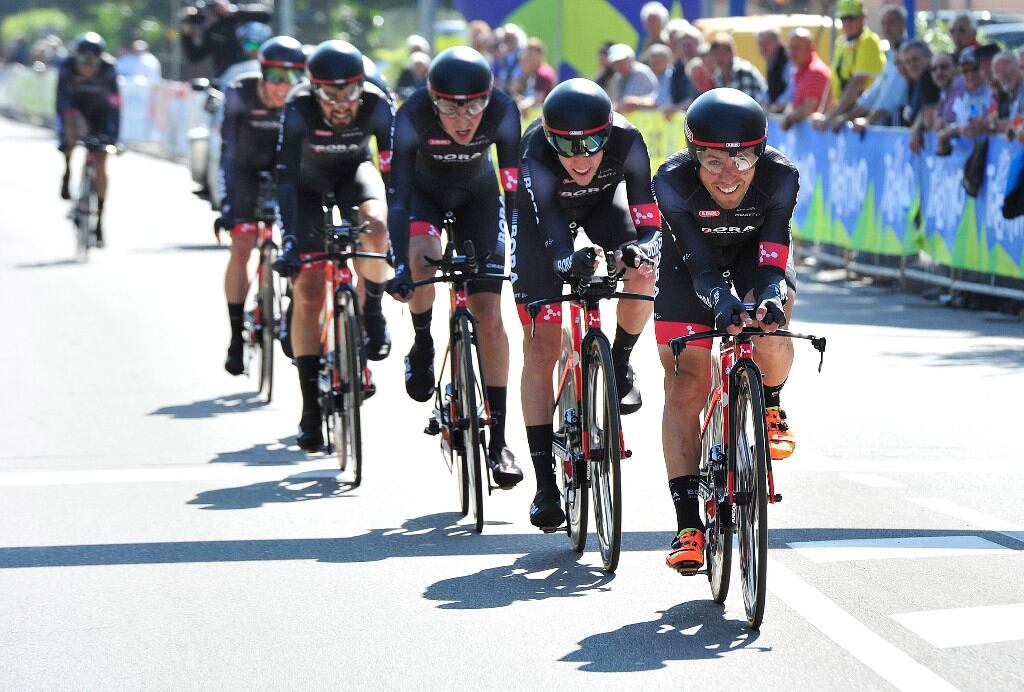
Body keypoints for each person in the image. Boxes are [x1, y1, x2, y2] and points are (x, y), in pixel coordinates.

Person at [653, 88, 799, 572]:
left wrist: (770, 298)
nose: (729, 174)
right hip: (692, 264)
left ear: (760, 152)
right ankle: (688, 526)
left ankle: (770, 403)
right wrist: (719, 301)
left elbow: (773, 257)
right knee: (685, 384)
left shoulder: (781, 177)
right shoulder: (671, 180)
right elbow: (698, 264)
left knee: (772, 325)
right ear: (693, 154)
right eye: (713, 161)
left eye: (742, 159)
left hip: (755, 257)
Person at [511, 78, 660, 529]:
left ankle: (619, 361)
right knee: (542, 346)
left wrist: (638, 251)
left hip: (601, 207)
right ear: (550, 138)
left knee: (643, 271)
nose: (580, 159)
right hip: (544, 225)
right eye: (567, 147)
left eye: (593, 145)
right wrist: (567, 261)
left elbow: (649, 224)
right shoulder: (535, 150)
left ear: (608, 133)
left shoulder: (628, 140)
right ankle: (544, 484)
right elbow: (554, 237)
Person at [385, 46, 524, 489]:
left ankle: (499, 440)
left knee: (489, 314)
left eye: (473, 108)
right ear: (433, 102)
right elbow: (398, 199)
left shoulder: (503, 111)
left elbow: (513, 191)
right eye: (450, 109)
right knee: (420, 255)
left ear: (488, 99)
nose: (464, 120)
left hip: (477, 200)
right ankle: (422, 341)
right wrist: (399, 264)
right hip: (423, 197)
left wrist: (520, 252)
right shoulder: (411, 116)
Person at [272, 40, 395, 452]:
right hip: (305, 186)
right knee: (308, 290)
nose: (341, 104)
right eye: (330, 94)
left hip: (353, 174)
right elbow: (285, 179)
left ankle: (370, 311)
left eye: (350, 93)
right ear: (314, 89)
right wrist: (290, 242)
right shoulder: (298, 107)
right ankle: (310, 409)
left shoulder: (377, 103)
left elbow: (394, 176)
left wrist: (397, 235)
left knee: (377, 227)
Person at [219, 36, 305, 377]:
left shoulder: (303, 98)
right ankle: (235, 335)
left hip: (287, 172)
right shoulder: (240, 93)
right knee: (242, 242)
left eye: (292, 77)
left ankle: (293, 306)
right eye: (275, 77)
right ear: (262, 72)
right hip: (246, 171)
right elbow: (228, 152)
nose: (283, 86)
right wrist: (228, 206)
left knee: (303, 244)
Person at [56, 32, 120, 247]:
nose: (88, 67)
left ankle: (99, 220)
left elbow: (115, 104)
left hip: (101, 113)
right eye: (83, 60)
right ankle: (67, 171)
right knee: (71, 122)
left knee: (102, 160)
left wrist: (113, 137)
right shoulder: (67, 67)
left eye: (93, 61)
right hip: (76, 110)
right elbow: (61, 101)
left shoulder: (109, 69)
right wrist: (64, 137)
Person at [816, 0, 885, 131]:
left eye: (851, 18)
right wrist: (822, 112)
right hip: (844, 114)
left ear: (862, 18)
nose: (847, 23)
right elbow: (833, 80)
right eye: (843, 18)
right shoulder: (841, 42)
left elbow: (857, 83)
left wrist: (832, 115)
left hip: (863, 114)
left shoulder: (868, 41)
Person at [180, 0, 271, 81]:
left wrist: (231, 10)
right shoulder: (212, 31)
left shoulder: (238, 18)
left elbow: (266, 14)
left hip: (246, 69)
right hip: (224, 77)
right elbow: (195, 56)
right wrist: (186, 36)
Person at [936, 47, 991, 155]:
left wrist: (951, 131)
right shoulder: (967, 95)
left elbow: (980, 125)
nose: (970, 75)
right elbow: (969, 119)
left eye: (975, 69)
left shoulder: (991, 92)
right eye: (965, 71)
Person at [779, 28, 832, 131]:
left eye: (798, 48)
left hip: (817, 135)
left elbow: (809, 109)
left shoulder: (816, 71)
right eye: (791, 47)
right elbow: (793, 102)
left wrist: (788, 118)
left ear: (811, 48)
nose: (793, 52)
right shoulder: (797, 69)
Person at [707, 33, 767, 103]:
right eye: (715, 54)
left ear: (731, 53)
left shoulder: (744, 71)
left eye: (722, 53)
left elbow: (748, 103)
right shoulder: (717, 76)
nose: (719, 58)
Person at [606, 43, 659, 112]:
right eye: (615, 63)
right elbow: (617, 102)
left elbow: (655, 97)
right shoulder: (616, 78)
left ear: (630, 59)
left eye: (621, 62)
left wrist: (637, 101)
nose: (619, 66)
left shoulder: (641, 72)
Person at [512, 38, 557, 113]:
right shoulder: (530, 73)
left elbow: (537, 99)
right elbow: (516, 92)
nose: (528, 57)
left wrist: (521, 106)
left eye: (531, 54)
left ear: (540, 56)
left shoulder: (543, 73)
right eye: (527, 53)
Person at [757, 27, 790, 112]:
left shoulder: (788, 60)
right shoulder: (772, 61)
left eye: (767, 42)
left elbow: (793, 88)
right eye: (760, 43)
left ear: (778, 41)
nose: (763, 47)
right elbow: (770, 88)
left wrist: (776, 105)